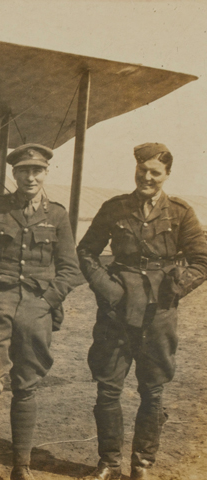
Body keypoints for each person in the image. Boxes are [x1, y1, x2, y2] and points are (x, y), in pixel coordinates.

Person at [77, 143, 207, 480]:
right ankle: (108, 462)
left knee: (153, 388)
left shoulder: (180, 212)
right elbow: (87, 252)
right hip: (117, 310)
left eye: (155, 172)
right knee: (107, 386)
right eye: (142, 170)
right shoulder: (115, 208)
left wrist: (177, 287)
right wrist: (107, 289)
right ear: (135, 169)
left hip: (159, 313)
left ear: (166, 175)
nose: (146, 177)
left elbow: (202, 259)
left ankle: (143, 464)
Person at [0, 144, 81, 480]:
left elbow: (70, 269)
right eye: (23, 171)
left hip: (37, 308)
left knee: (26, 386)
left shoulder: (57, 214)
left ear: (46, 173)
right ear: (14, 174)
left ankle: (22, 467)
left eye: (37, 171)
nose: (30, 177)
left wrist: (47, 302)